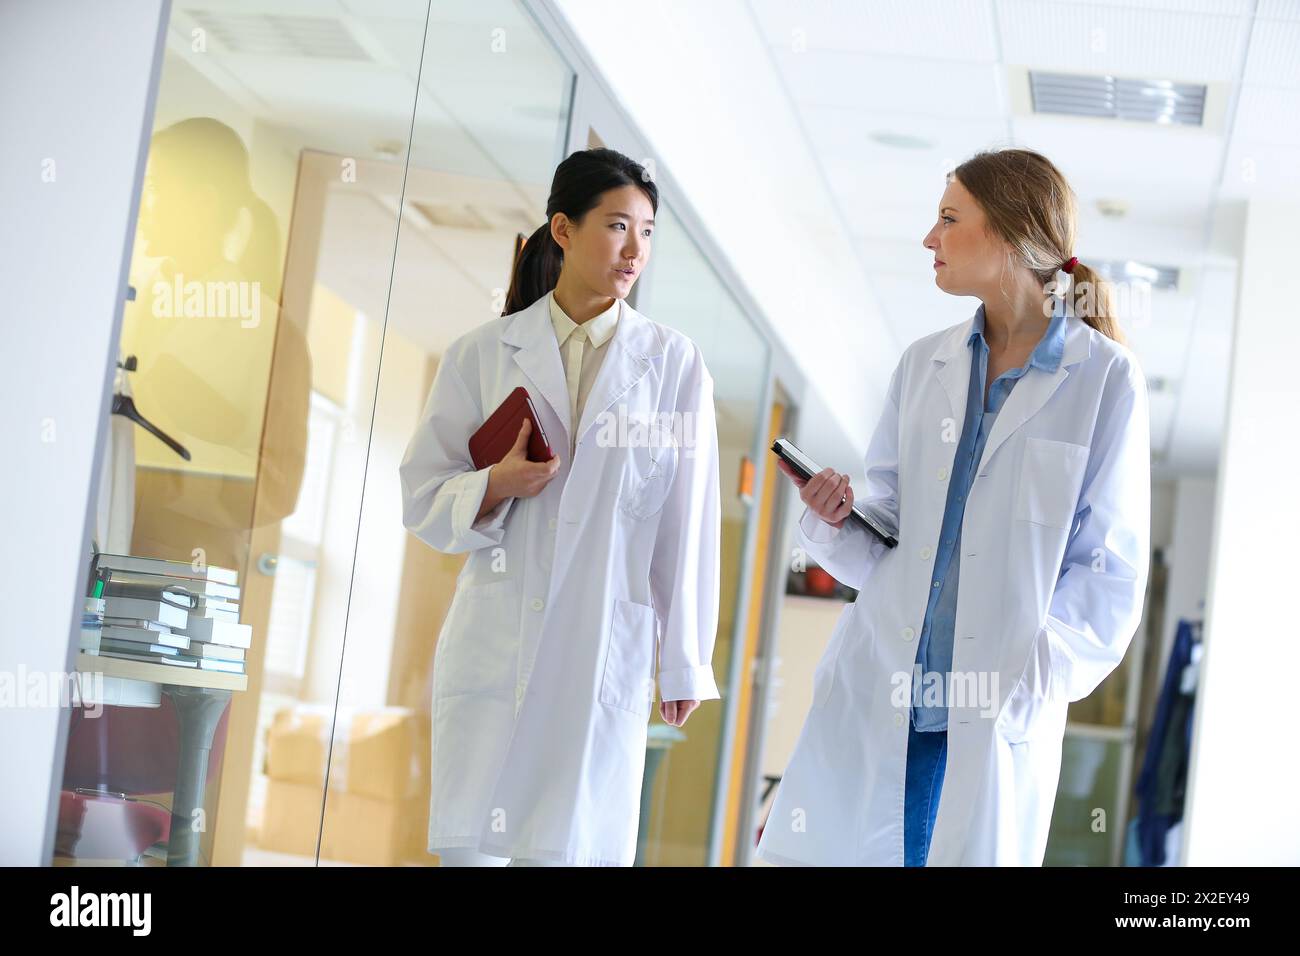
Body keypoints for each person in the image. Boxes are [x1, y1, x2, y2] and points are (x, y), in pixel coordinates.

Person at [756, 147, 1151, 867]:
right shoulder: (923, 364)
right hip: (882, 687)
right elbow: (887, 537)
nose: (928, 238)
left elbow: (1109, 573)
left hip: (988, 709)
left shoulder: (1104, 381)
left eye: (947, 218)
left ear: (1008, 234)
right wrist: (834, 515)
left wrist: (1033, 672)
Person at [399, 147, 723, 867]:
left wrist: (683, 663)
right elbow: (421, 494)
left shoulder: (673, 365)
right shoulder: (480, 354)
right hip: (495, 640)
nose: (635, 249)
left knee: (567, 850)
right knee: (473, 850)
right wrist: (494, 485)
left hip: (599, 650)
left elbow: (687, 524)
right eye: (616, 226)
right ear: (564, 229)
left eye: (646, 231)